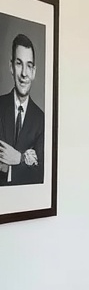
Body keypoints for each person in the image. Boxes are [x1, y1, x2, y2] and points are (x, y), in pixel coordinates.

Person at [0, 33, 44, 186]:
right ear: (11, 67)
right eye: (19, 64)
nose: (24, 73)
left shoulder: (41, 120)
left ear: (34, 71)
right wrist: (25, 159)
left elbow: (41, 174)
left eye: (29, 65)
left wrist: (16, 159)